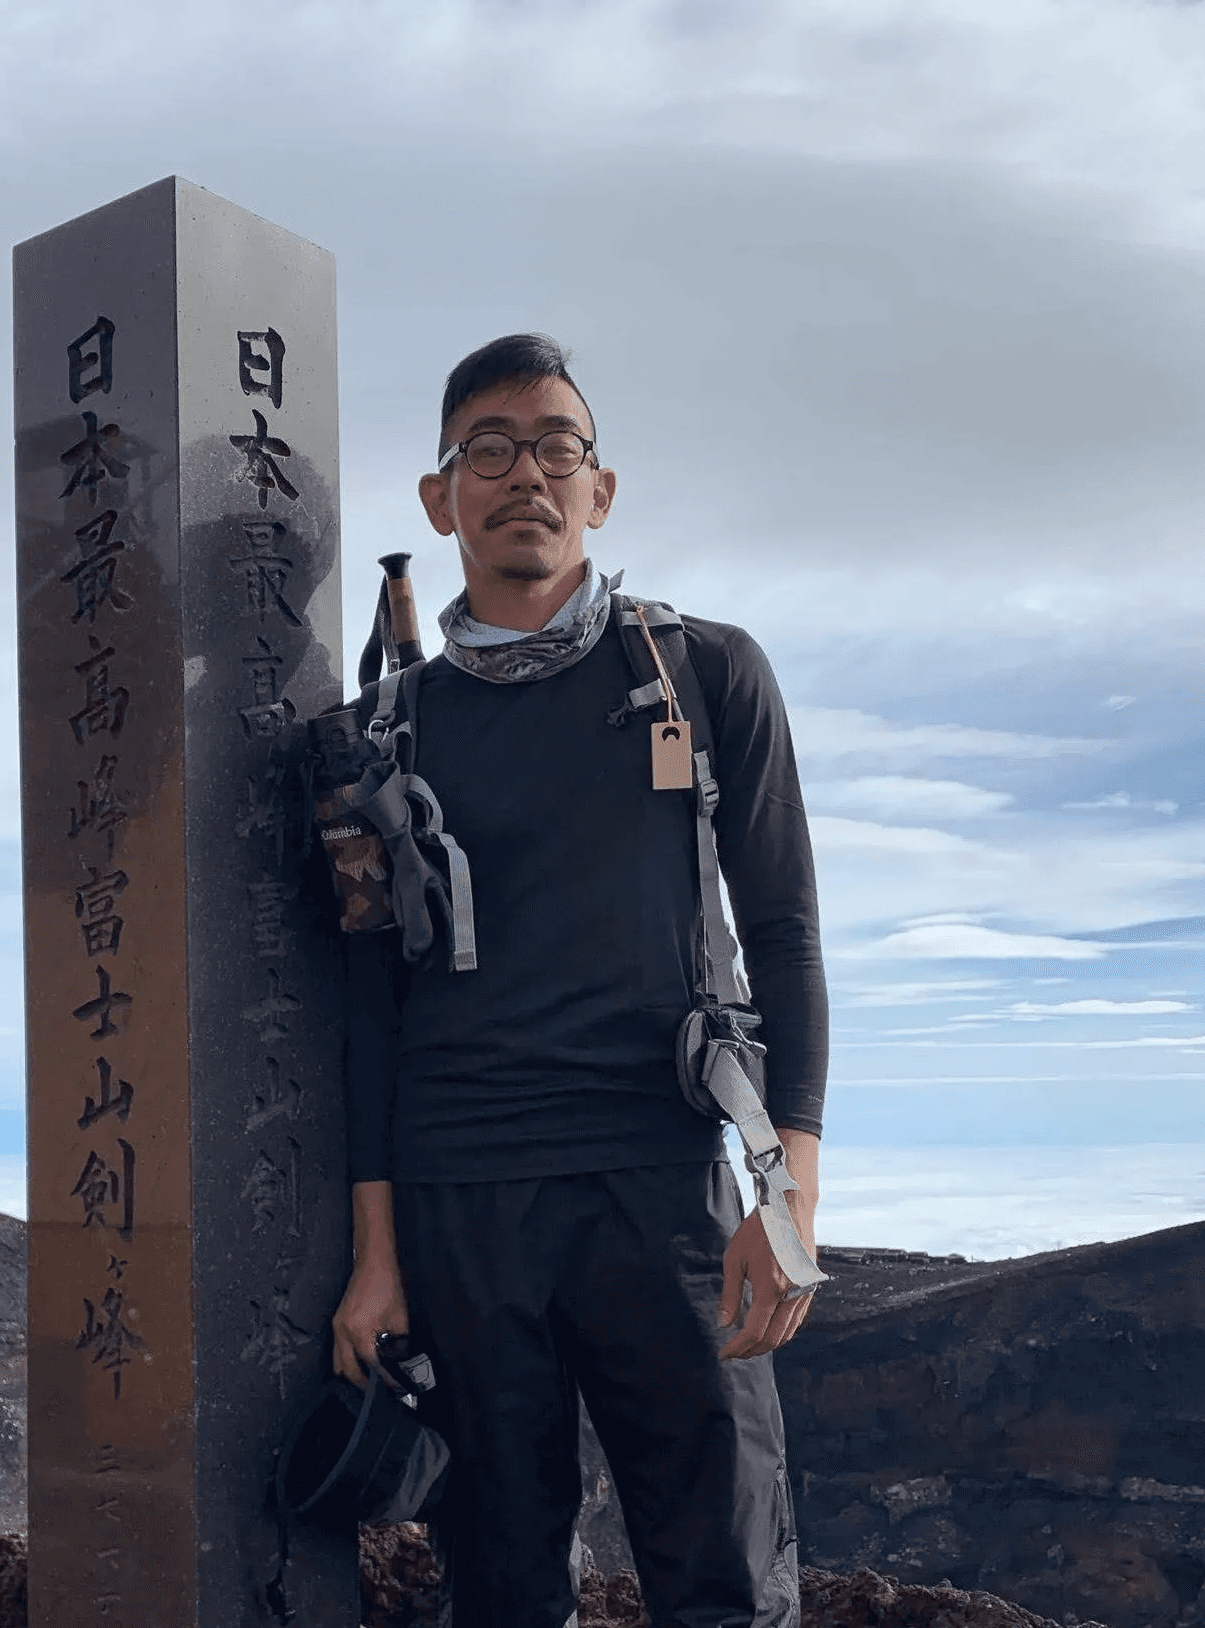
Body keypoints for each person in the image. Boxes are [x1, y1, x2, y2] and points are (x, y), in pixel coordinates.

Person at [330, 333, 827, 1628]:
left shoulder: (702, 674)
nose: (525, 475)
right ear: (439, 497)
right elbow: (366, 1014)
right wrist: (376, 1259)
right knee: (499, 1588)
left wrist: (785, 1196)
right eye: (486, 449)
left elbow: (783, 935)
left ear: (599, 490)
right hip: (459, 1206)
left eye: (556, 446)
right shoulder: (382, 736)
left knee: (726, 1582)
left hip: (665, 1186)